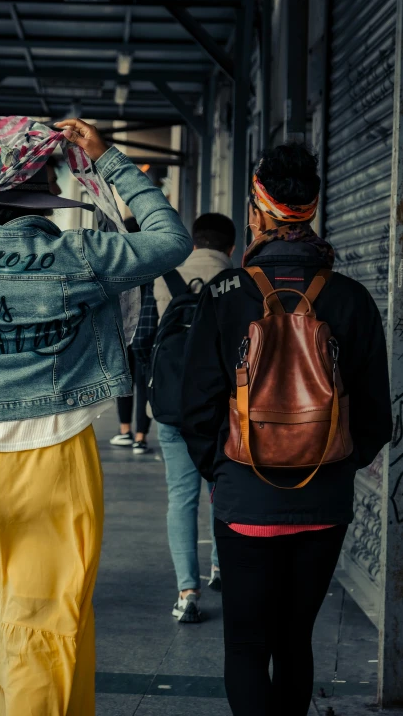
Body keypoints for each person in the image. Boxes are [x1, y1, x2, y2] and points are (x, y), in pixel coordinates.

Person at [0, 114, 193, 716]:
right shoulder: (85, 255)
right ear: (44, 203)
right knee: (47, 623)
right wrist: (108, 158)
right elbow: (169, 239)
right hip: (59, 464)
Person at [181, 144, 392, 715]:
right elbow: (376, 417)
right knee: (295, 640)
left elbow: (194, 406)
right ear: (312, 209)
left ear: (258, 210)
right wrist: (332, 463)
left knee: (247, 644)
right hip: (324, 502)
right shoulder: (350, 298)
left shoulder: (225, 294)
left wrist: (225, 472)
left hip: (244, 498)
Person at [153, 213, 236, 622]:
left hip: (171, 407)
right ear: (230, 248)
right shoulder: (240, 284)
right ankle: (222, 565)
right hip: (221, 409)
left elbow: (144, 341)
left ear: (193, 243)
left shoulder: (165, 277)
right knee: (221, 486)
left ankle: (187, 592)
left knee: (179, 498)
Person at [110, 217, 152, 455]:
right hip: (147, 331)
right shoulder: (153, 263)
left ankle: (124, 431)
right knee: (144, 384)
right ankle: (140, 437)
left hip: (124, 331)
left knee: (125, 382)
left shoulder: (120, 264)